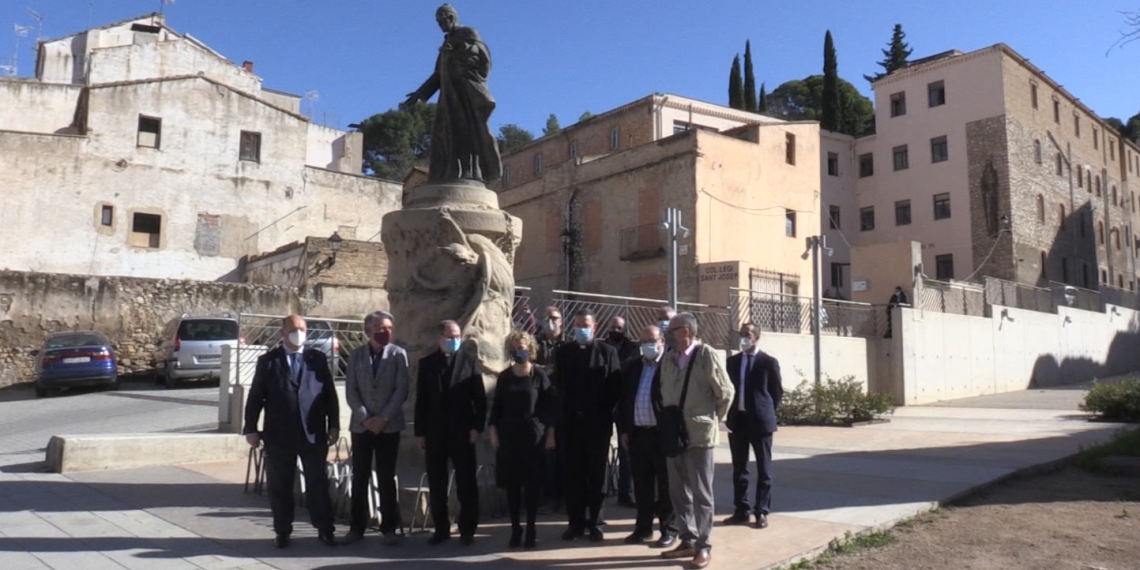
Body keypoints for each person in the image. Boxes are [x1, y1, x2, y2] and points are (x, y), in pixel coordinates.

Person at [243, 315, 340, 549]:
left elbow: (329, 394)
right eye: (294, 329)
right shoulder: (268, 361)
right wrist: (251, 429)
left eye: (302, 329)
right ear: (282, 333)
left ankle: (325, 529)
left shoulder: (317, 358)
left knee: (318, 483)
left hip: (312, 433)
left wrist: (334, 425)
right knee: (280, 486)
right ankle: (282, 530)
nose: (299, 333)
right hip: (279, 434)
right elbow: (256, 397)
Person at [656, 313, 733, 570]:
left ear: (686, 331)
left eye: (672, 329)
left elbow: (725, 393)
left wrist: (710, 420)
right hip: (674, 434)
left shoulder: (705, 355)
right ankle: (687, 539)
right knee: (678, 491)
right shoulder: (668, 357)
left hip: (699, 435)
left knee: (701, 493)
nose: (667, 333)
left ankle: (703, 545)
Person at [404, 3, 501, 183]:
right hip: (447, 98)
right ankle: (444, 174)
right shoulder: (447, 41)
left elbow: (483, 60)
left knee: (465, 134)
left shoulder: (468, 33)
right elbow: (438, 74)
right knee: (441, 135)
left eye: (441, 22)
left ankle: (469, 174)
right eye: (438, 23)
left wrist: (458, 53)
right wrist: (420, 94)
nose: (440, 26)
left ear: (451, 18)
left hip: (465, 96)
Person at [415, 320, 488, 546]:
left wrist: (477, 427)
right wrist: (420, 432)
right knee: (437, 483)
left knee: (466, 482)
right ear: (440, 338)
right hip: (435, 432)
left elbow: (480, 399)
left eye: (457, 336)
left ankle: (467, 529)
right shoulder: (427, 364)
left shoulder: (469, 361)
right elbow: (422, 400)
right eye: (450, 336)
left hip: (463, 431)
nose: (455, 340)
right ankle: (441, 528)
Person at [342, 311, 409, 546]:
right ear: (369, 330)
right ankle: (356, 527)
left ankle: (389, 527)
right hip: (362, 427)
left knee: (386, 476)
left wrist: (383, 417)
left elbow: (401, 389)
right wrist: (365, 417)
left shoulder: (398, 354)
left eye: (389, 327)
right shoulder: (356, 355)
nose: (386, 332)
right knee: (359, 476)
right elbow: (351, 390)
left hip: (388, 426)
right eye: (381, 328)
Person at [554, 309, 622, 542]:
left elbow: (615, 388)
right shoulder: (563, 352)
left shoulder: (607, 352)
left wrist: (605, 414)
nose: (581, 329)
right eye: (578, 325)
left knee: (597, 475)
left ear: (595, 327)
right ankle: (575, 523)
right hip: (571, 425)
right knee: (573, 475)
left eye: (585, 325)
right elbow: (558, 386)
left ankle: (596, 522)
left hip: (598, 425)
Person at [489, 330, 558, 549]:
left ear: (530, 349)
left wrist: (551, 433)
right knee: (512, 486)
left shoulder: (539, 375)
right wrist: (493, 430)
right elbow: (497, 407)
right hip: (509, 437)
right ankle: (515, 528)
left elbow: (550, 406)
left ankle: (531, 528)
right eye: (516, 347)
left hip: (533, 437)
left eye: (523, 347)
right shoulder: (504, 377)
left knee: (532, 486)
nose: (520, 351)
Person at [617, 325, 677, 548]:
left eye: (651, 341)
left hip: (662, 435)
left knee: (666, 485)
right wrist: (624, 430)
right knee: (642, 484)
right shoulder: (633, 367)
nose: (647, 346)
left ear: (662, 341)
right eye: (643, 342)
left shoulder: (670, 365)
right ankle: (643, 528)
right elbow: (624, 401)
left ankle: (669, 530)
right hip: (638, 435)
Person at [724, 323, 782, 530]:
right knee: (739, 469)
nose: (743, 338)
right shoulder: (732, 362)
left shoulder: (768, 362)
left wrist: (763, 410)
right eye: (741, 334)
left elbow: (776, 392)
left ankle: (762, 511)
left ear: (756, 337)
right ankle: (741, 511)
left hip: (760, 422)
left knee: (764, 468)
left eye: (747, 334)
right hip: (737, 421)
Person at [602, 315, 637, 508]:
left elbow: (630, 367)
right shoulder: (601, 347)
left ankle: (625, 492)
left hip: (624, 403)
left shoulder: (632, 348)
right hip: (605, 402)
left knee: (626, 449)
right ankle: (600, 490)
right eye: (613, 327)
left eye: (619, 328)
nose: (615, 330)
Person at [534, 305, 566, 511]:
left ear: (561, 321)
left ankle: (563, 497)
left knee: (564, 454)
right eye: (546, 318)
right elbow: (532, 368)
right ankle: (547, 496)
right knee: (544, 453)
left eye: (554, 318)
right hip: (542, 404)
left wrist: (545, 370)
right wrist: (549, 369)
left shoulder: (568, 344)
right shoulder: (536, 344)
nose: (550, 321)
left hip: (564, 404)